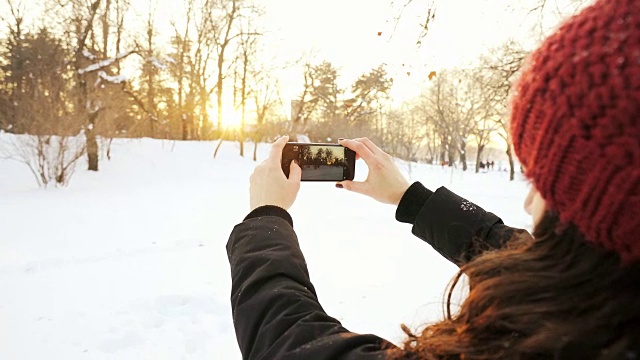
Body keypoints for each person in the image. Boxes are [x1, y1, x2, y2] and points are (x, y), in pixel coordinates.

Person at [226, 0, 640, 358]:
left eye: (548, 185)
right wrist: (412, 198)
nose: (530, 202)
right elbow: (531, 257)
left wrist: (267, 216)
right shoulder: (613, 307)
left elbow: (288, 346)